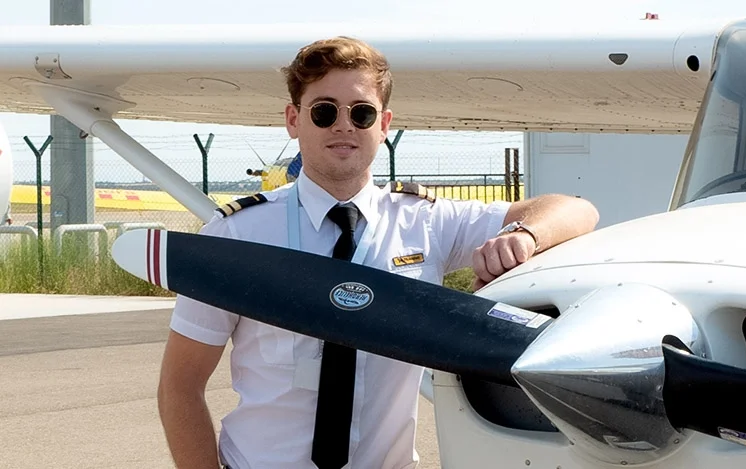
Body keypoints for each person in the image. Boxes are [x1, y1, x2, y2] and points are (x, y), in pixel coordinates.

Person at [156, 36, 599, 469]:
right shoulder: (235, 236)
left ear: (384, 126)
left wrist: (523, 235)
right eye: (325, 111)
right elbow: (181, 385)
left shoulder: (426, 222)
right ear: (294, 120)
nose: (344, 126)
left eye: (362, 113)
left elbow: (577, 209)